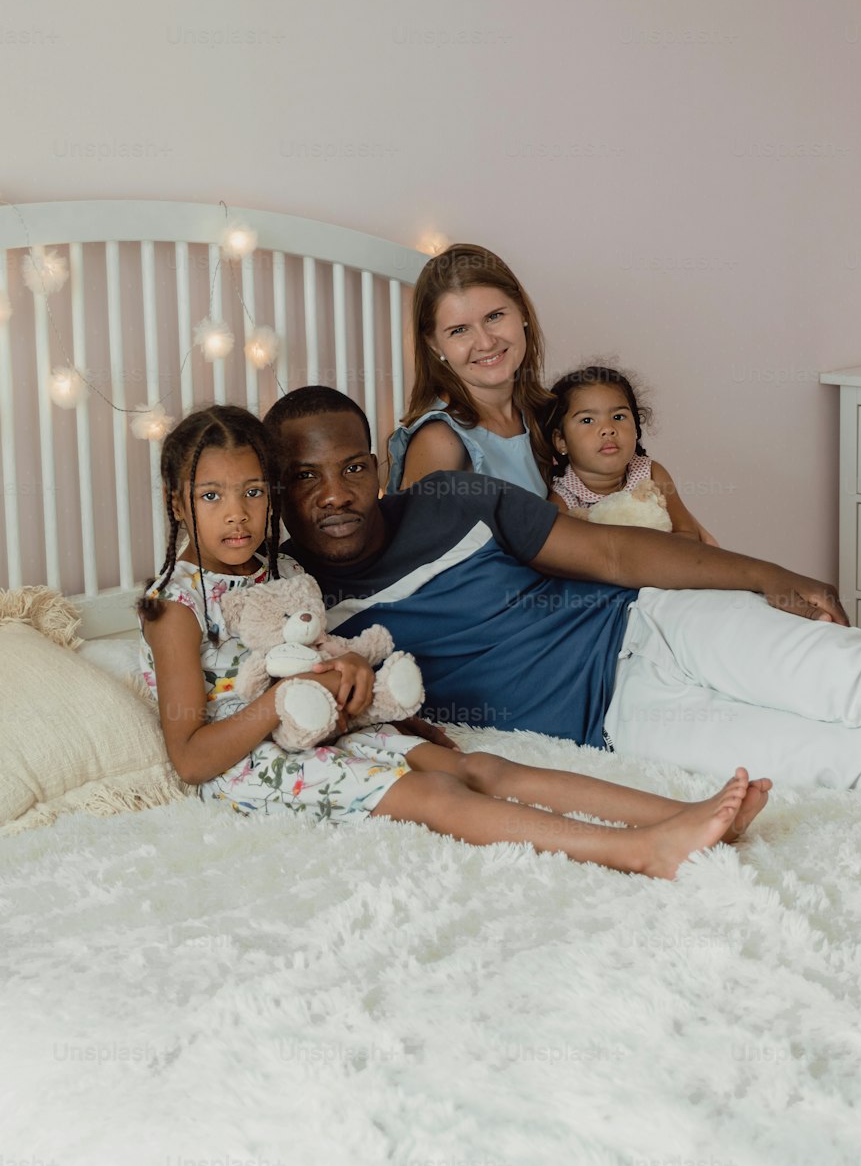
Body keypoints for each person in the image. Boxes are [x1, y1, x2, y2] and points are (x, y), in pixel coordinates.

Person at [268, 385, 861, 800]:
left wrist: (771, 575)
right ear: (275, 491)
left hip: (657, 624)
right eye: (305, 477)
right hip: (625, 719)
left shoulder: (453, 495)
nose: (336, 494)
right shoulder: (295, 606)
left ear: (376, 467)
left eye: (353, 467)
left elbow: (613, 551)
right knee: (842, 762)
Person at [137, 404, 768, 878]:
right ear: (176, 503)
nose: (237, 515)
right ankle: (638, 851)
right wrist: (282, 703)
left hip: (320, 730)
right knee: (438, 793)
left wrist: (353, 669)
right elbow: (191, 758)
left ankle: (674, 813)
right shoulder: (176, 604)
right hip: (256, 764)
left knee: (479, 765)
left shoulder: (286, 573)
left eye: (252, 493)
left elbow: (317, 655)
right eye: (211, 496)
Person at [385, 243, 551, 496]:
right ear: (433, 343)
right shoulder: (441, 441)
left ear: (522, 312)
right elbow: (421, 535)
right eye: (459, 330)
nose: (486, 343)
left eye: (494, 316)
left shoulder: (546, 414)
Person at [546, 364, 719, 545]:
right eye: (587, 420)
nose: (608, 429)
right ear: (561, 441)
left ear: (635, 427)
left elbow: (687, 532)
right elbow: (562, 553)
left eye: (618, 417)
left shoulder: (651, 473)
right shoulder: (564, 498)